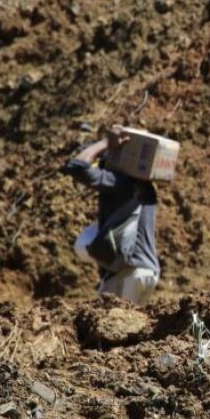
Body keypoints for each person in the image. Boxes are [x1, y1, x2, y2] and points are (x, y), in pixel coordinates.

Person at [62, 125, 160, 304]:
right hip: (148, 272)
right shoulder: (147, 188)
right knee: (138, 328)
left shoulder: (119, 181)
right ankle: (201, 331)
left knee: (112, 328)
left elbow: (77, 167)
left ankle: (201, 331)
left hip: (126, 274)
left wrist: (106, 143)